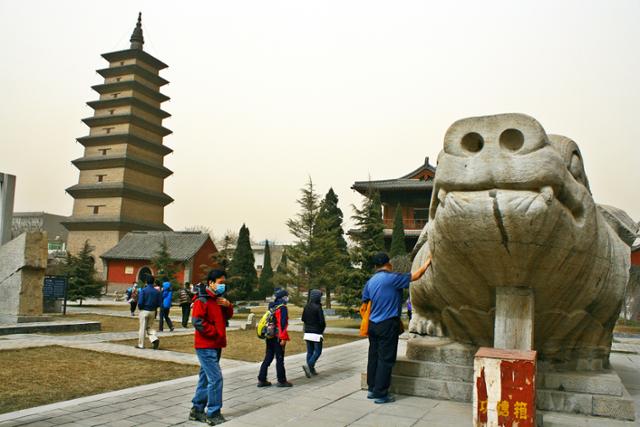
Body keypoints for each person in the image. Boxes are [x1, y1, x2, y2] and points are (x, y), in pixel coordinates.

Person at [363, 252, 431, 404]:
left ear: (375, 266)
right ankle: (381, 394)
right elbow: (416, 276)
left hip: (373, 324)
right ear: (389, 264)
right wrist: (427, 262)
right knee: (385, 359)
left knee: (373, 356)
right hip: (387, 323)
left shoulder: (371, 281)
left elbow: (365, 301)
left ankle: (372, 389)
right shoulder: (392, 278)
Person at [189, 269, 234, 425]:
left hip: (216, 344)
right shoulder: (202, 300)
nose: (223, 286)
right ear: (211, 283)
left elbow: (226, 316)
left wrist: (228, 305)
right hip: (205, 345)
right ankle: (213, 413)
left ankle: (197, 410)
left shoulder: (218, 299)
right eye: (220, 283)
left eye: (224, 283)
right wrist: (215, 333)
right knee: (216, 379)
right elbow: (197, 322)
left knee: (205, 377)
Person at [257, 289, 292, 387]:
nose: (287, 298)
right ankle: (282, 380)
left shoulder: (272, 306)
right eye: (286, 296)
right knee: (280, 358)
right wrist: (283, 338)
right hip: (278, 336)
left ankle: (262, 379)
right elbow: (282, 324)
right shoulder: (282, 308)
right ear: (283, 297)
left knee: (268, 357)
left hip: (269, 335)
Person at [301, 289, 326, 378]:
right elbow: (322, 321)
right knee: (318, 352)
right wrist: (322, 330)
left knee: (310, 351)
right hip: (316, 332)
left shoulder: (306, 306)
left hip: (307, 332)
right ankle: (309, 366)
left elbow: (303, 319)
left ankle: (311, 370)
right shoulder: (318, 307)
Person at [136, 275, 162, 350]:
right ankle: (154, 339)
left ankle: (141, 345)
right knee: (149, 327)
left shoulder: (143, 290)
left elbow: (140, 302)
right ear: (153, 282)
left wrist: (140, 308)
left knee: (142, 328)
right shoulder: (157, 292)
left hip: (144, 310)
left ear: (146, 282)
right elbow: (159, 303)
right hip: (152, 311)